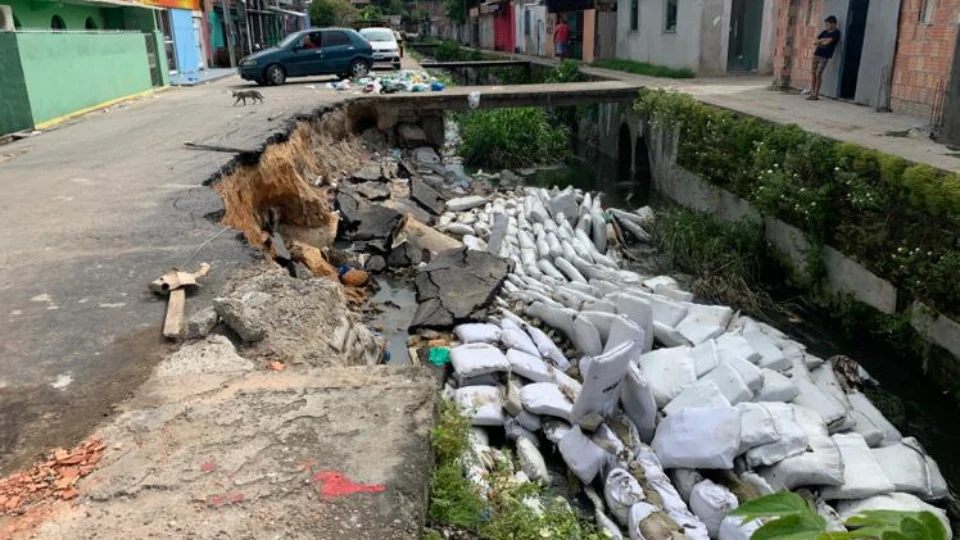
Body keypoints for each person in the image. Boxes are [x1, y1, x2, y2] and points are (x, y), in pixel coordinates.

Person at [808, 15, 841, 101]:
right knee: (813, 73)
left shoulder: (836, 33)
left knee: (819, 73)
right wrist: (823, 40)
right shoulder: (824, 32)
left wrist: (821, 41)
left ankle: (816, 94)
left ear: (833, 24)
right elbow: (815, 42)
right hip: (817, 54)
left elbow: (827, 43)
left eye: (828, 24)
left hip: (824, 56)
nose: (826, 26)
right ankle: (812, 93)